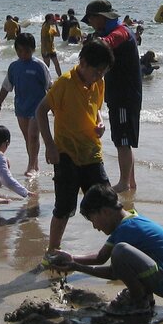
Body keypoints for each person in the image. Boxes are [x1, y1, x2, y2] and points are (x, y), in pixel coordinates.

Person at [45, 184, 163, 316]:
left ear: (105, 212)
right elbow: (100, 257)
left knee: (120, 251)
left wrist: (77, 267)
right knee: (122, 252)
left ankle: (139, 302)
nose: (95, 226)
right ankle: (144, 296)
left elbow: (114, 273)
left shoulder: (127, 229)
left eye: (93, 220)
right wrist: (72, 258)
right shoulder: (129, 220)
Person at [35, 38, 114, 255]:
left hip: (92, 152)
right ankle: (53, 250)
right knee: (64, 207)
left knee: (107, 201)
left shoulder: (99, 83)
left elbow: (96, 108)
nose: (99, 77)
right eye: (97, 72)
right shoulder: (64, 83)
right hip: (66, 154)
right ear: (84, 63)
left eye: (103, 73)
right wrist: (49, 146)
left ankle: (119, 247)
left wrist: (101, 123)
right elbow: (40, 111)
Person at [82, 0, 142, 194]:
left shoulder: (120, 32)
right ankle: (131, 183)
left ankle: (124, 183)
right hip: (119, 94)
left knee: (122, 141)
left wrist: (92, 43)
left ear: (99, 18)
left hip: (125, 95)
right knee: (121, 139)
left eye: (90, 20)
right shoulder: (109, 31)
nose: (90, 24)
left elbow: (106, 43)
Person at [0, 32, 53, 175]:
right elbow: (6, 86)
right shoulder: (14, 67)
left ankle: (31, 167)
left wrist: (56, 107)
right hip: (21, 107)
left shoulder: (40, 66)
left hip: (38, 108)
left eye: (26, 51)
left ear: (33, 49)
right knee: (28, 137)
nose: (23, 54)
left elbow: (50, 87)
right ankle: (35, 164)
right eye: (19, 51)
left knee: (33, 135)